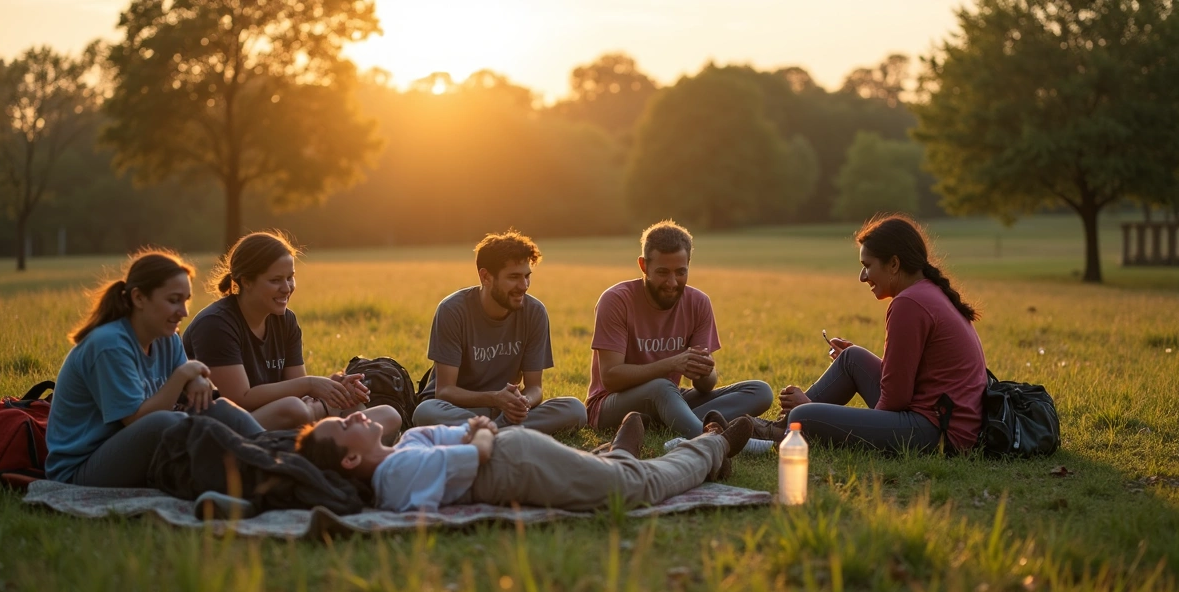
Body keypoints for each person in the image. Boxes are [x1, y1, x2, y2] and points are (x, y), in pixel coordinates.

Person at [46, 249, 267, 487]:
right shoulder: (109, 345)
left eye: (186, 300)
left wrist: (196, 380)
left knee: (220, 409)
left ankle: (278, 459)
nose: (184, 312)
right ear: (139, 298)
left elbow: (192, 383)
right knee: (167, 423)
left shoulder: (166, 336)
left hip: (135, 450)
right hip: (82, 468)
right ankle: (241, 479)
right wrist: (183, 375)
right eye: (173, 300)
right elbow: (138, 421)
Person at [777, 214, 988, 453]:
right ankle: (780, 428)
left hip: (940, 434)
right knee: (852, 358)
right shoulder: (927, 292)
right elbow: (909, 380)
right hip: (942, 420)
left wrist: (811, 409)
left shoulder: (909, 303)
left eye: (867, 266)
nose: (862, 277)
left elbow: (895, 400)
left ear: (894, 264)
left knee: (804, 415)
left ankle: (788, 427)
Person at [295, 411, 755, 512]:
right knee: (629, 483)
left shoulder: (409, 443)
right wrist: (479, 435)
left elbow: (478, 439)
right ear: (351, 458)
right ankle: (706, 447)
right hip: (515, 463)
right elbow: (477, 444)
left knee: (637, 486)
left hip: (517, 461)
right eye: (344, 424)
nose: (355, 415)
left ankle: (711, 443)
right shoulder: (395, 474)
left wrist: (478, 436)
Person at [183, 231, 402, 436]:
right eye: (275, 280)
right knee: (294, 410)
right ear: (246, 281)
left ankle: (335, 446)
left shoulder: (285, 320)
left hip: (283, 417)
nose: (287, 288)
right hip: (225, 428)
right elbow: (239, 399)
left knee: (387, 416)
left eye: (290, 277)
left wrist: (332, 387)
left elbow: (298, 389)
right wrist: (310, 386)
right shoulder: (216, 324)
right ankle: (331, 447)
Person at [586, 220, 775, 437]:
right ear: (643, 266)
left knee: (759, 391)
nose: (672, 282)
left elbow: (705, 386)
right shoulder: (616, 300)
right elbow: (611, 378)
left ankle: (677, 424)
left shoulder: (698, 303)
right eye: (663, 272)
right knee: (662, 387)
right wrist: (672, 363)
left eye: (680, 272)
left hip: (668, 397)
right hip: (609, 405)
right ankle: (713, 439)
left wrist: (705, 370)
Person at [412, 230, 587, 434]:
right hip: (461, 408)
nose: (523, 286)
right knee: (426, 412)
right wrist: (495, 398)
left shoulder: (534, 312)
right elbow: (444, 391)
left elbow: (535, 388)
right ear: (485, 276)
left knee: (575, 409)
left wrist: (521, 402)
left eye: (527, 276)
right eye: (514, 277)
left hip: (505, 412)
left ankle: (488, 431)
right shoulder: (453, 310)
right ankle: (507, 432)